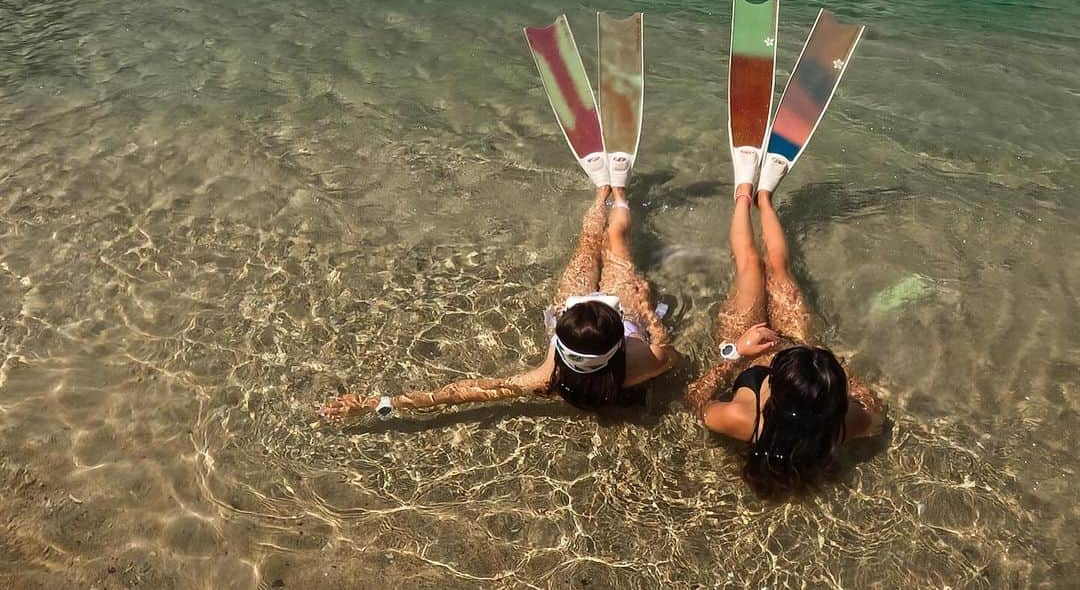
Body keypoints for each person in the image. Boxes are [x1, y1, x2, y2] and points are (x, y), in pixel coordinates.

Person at [321, 183, 675, 422]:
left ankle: (602, 193)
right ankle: (619, 192)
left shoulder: (547, 377)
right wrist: (645, 311)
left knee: (588, 241)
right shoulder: (641, 364)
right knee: (615, 237)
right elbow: (665, 346)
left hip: (595, 317)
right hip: (627, 312)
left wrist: (377, 404)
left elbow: (461, 394)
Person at [687, 178, 885, 498]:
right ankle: (765, 198)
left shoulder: (743, 419)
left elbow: (695, 399)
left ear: (774, 389)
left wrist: (736, 352)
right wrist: (832, 365)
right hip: (799, 345)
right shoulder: (838, 425)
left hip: (744, 345)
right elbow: (877, 415)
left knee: (749, 265)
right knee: (777, 267)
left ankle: (743, 193)